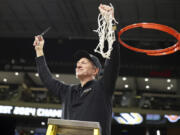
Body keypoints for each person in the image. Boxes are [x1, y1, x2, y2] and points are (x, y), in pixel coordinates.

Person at [33, 4, 120, 135]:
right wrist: (39, 51)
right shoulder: (68, 91)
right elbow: (47, 79)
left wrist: (111, 23)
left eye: (84, 62)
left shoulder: (103, 88)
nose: (78, 65)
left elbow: (113, 62)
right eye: (78, 63)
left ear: (95, 71)